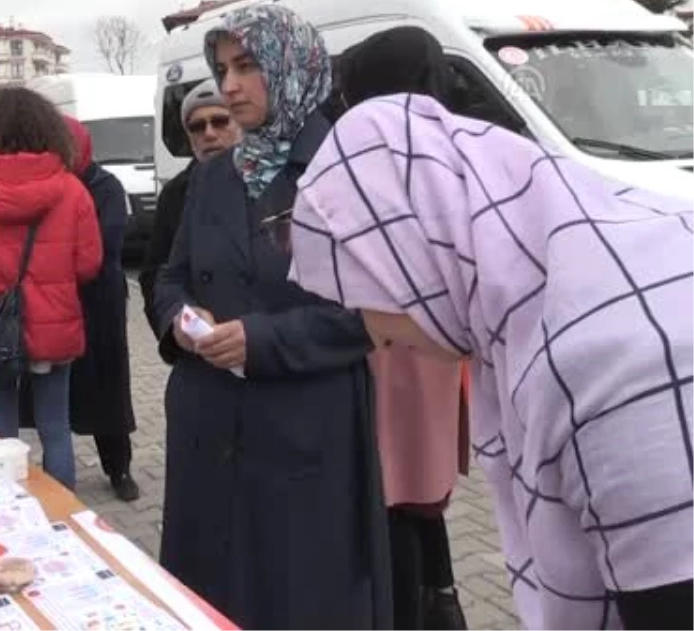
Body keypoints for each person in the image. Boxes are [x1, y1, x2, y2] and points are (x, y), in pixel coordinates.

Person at [288, 93, 694, 630]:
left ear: (416, 256)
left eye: (365, 292)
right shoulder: (580, 261)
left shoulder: (602, 364)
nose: (373, 332)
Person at [151, 4, 391, 630]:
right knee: (210, 594)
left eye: (246, 66)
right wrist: (179, 319)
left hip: (301, 427)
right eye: (222, 67)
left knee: (298, 597)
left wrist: (261, 339)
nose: (228, 86)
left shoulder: (346, 169)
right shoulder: (216, 175)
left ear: (292, 68)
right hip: (209, 421)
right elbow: (169, 276)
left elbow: (376, 310)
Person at [338, 27, 469, 631]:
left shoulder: (369, 158)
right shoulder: (445, 149)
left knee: (398, 493)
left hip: (392, 352)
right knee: (417, 495)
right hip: (429, 348)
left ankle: (421, 608)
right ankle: (439, 602)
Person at [0, 87, 102, 491]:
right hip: (55, 327)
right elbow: (89, 264)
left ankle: (5, 512)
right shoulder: (72, 190)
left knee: (0, 430)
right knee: (55, 430)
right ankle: (63, 520)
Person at [63, 116, 138, 501]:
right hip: (60, 300)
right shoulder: (52, 185)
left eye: (68, 146)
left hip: (101, 301)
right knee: (61, 389)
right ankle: (58, 476)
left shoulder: (105, 186)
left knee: (108, 385)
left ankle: (119, 468)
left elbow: (107, 241)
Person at [139, 78, 241, 360]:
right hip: (200, 355)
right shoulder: (176, 194)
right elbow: (156, 275)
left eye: (220, 121)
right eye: (197, 126)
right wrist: (179, 324)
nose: (209, 133)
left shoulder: (270, 183)